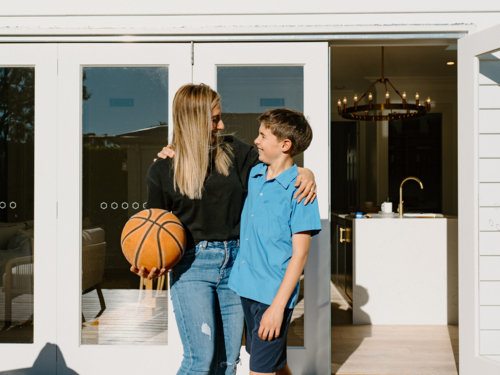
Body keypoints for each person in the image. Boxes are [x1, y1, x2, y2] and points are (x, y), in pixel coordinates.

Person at [130, 84, 317, 375]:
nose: (222, 124)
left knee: (228, 363)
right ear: (193, 120)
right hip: (192, 266)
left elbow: (281, 164)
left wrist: (307, 172)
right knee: (199, 361)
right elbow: (156, 226)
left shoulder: (236, 153)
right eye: (215, 119)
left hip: (237, 267)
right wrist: (151, 263)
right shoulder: (162, 170)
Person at [228, 108, 321, 375]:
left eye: (262, 135)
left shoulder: (301, 192)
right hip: (244, 288)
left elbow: (300, 255)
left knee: (259, 370)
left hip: (272, 296)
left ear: (285, 145)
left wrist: (278, 308)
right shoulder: (255, 175)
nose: (256, 140)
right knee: (274, 365)